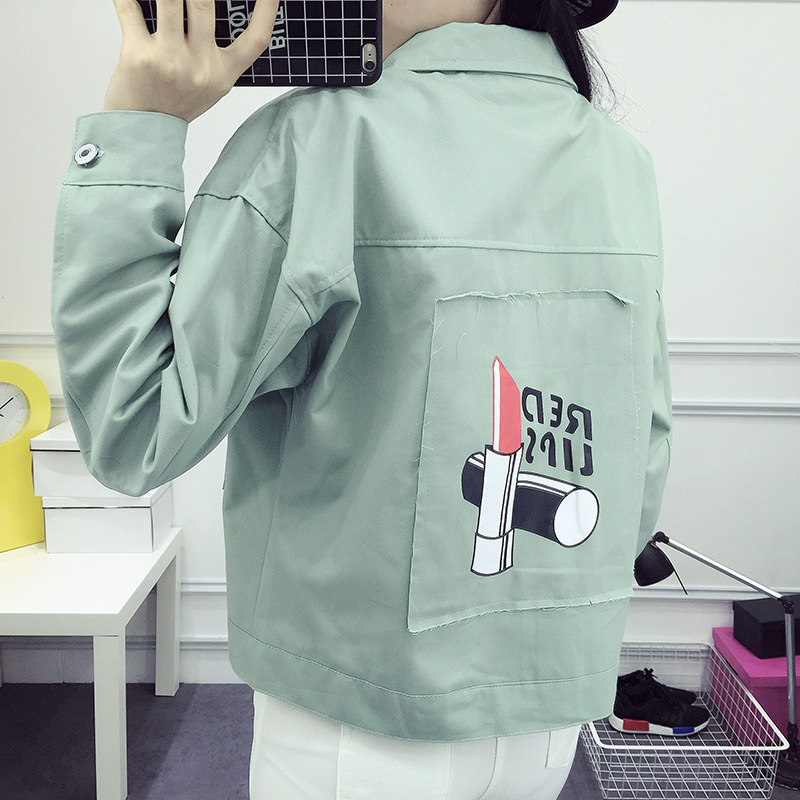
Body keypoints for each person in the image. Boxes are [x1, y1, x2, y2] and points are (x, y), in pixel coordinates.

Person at [51, 0, 672, 797]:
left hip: (354, 729)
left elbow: (133, 427)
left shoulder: (319, 142)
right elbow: (639, 456)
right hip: (545, 726)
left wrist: (140, 123)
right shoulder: (621, 162)